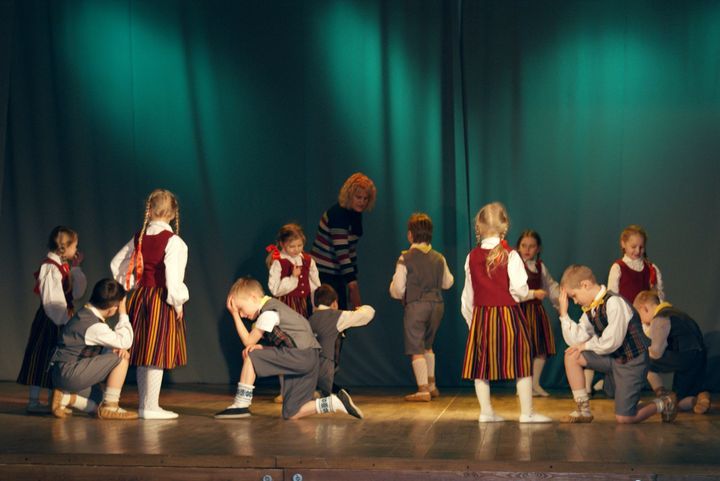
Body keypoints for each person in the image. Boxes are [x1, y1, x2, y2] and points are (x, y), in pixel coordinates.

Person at [214, 277, 362, 420]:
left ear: (253, 297)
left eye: (241, 308)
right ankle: (333, 402)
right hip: (310, 358)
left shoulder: (268, 312)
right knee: (291, 412)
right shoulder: (274, 308)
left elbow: (248, 341)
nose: (241, 314)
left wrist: (234, 315)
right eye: (238, 311)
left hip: (300, 356)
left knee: (251, 356)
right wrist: (263, 347)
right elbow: (288, 338)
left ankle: (241, 404)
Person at [460, 202, 551, 423]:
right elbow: (519, 290)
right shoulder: (511, 255)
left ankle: (486, 411)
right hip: (508, 315)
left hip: (482, 316)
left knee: (481, 364)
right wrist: (528, 294)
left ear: (479, 226)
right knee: (521, 360)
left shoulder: (471, 256)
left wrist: (473, 322)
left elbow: (467, 296)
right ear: (505, 226)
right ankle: (526, 413)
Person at [558, 264, 677, 423]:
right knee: (571, 355)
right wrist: (564, 315)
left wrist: (586, 346)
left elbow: (612, 341)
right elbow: (576, 340)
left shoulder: (614, 302)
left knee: (624, 418)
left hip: (632, 361)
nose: (575, 301)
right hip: (613, 358)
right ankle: (583, 410)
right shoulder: (591, 309)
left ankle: (664, 402)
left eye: (574, 296)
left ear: (585, 285)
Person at [110, 189, 189, 419]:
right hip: (161, 299)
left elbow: (116, 264)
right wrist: (178, 303)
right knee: (156, 351)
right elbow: (173, 279)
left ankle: (146, 404)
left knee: (145, 350)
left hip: (141, 297)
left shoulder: (140, 236)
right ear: (173, 214)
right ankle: (150, 406)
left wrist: (133, 283)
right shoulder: (174, 242)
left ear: (150, 210)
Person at [17, 226, 87, 414]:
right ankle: (33, 401)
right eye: (75, 246)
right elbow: (52, 300)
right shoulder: (50, 267)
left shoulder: (64, 266)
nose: (76, 249)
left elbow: (77, 293)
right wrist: (64, 322)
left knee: (54, 360)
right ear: (64, 247)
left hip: (62, 317)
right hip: (51, 320)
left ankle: (52, 400)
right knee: (41, 356)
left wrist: (76, 268)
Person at [590, 225, 666, 395]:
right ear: (623, 244)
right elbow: (612, 297)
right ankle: (609, 384)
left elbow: (659, 296)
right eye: (633, 246)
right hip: (625, 322)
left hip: (644, 322)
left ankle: (656, 389)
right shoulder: (618, 267)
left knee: (645, 356)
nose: (637, 251)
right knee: (622, 358)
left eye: (641, 247)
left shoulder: (651, 269)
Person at [49, 279, 137, 420]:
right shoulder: (94, 326)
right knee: (121, 358)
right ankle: (110, 407)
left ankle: (65, 397)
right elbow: (125, 341)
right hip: (70, 375)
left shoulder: (84, 314)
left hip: (61, 375)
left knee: (99, 399)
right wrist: (123, 313)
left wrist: (113, 350)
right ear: (113, 307)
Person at [389, 213, 453, 402]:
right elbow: (448, 282)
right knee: (427, 345)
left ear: (410, 235)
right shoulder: (439, 257)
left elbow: (398, 289)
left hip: (416, 305)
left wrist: (394, 289)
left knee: (415, 348)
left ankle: (423, 389)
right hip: (437, 305)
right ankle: (432, 385)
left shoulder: (405, 258)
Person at [633, 290, 711, 414]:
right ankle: (699, 398)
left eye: (639, 316)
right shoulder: (676, 313)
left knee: (642, 360)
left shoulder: (660, 318)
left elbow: (656, 352)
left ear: (645, 308)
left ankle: (663, 395)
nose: (642, 321)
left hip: (684, 356)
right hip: (699, 357)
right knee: (680, 401)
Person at [311, 172, 377, 310]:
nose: (362, 202)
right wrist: (353, 285)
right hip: (322, 274)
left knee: (341, 314)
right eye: (358, 197)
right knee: (329, 315)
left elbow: (351, 250)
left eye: (365, 198)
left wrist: (352, 280)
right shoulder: (338, 214)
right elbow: (342, 253)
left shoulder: (355, 214)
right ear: (349, 195)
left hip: (338, 273)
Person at [515, 230, 560, 397]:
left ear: (538, 248)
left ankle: (535, 384)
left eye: (531, 246)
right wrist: (534, 293)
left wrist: (560, 303)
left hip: (536, 312)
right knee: (522, 350)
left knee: (541, 348)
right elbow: (513, 291)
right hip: (520, 312)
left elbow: (550, 286)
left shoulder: (540, 266)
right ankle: (522, 387)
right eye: (524, 245)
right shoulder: (514, 266)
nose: (527, 249)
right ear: (518, 247)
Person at [309, 284, 375, 396]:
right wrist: (362, 308)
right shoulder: (336, 316)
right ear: (334, 303)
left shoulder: (311, 318)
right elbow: (367, 315)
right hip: (325, 367)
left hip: (309, 368)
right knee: (325, 399)